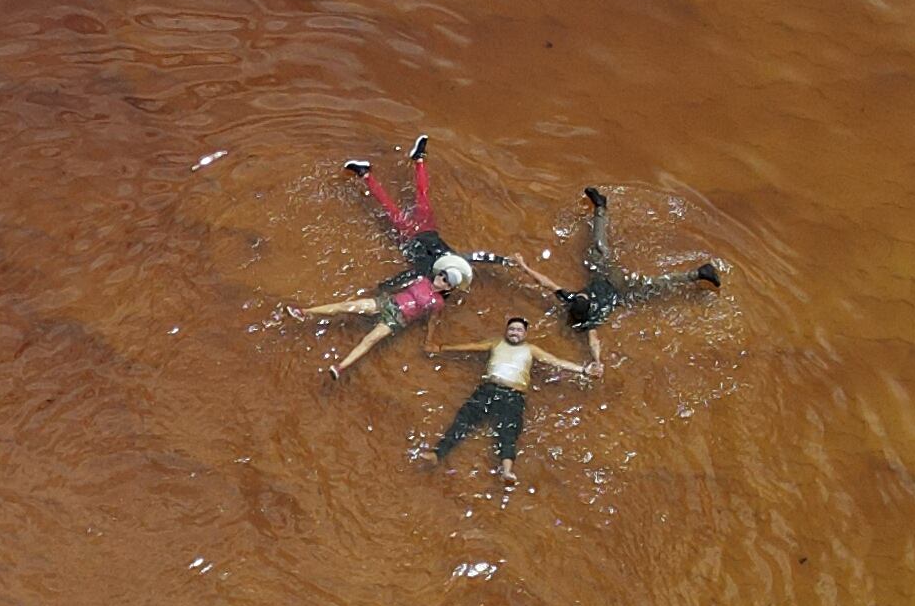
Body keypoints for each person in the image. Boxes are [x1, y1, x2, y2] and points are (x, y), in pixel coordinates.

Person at [299, 134, 495, 377]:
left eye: (445, 278)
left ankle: (366, 175)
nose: (441, 276)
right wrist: (503, 261)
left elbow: (416, 290)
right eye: (443, 274)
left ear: (448, 287)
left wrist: (386, 286)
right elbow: (473, 256)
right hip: (427, 230)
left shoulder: (430, 285)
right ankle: (419, 159)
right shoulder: (447, 260)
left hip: (410, 240)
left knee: (390, 208)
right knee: (422, 199)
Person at [493, 184, 723, 348]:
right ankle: (699, 274)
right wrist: (597, 362)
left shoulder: (573, 301)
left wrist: (523, 266)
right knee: (655, 285)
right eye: (583, 296)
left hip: (604, 276)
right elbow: (593, 340)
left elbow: (545, 283)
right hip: (619, 290)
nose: (581, 293)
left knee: (600, 248)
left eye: (579, 295)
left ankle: (600, 208)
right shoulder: (590, 318)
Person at [425, 315, 596, 474]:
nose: (514, 332)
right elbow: (472, 346)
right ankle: (437, 454)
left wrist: (583, 370)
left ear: (525, 334)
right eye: (511, 329)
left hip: (514, 395)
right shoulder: (496, 342)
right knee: (463, 421)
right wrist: (441, 348)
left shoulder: (531, 349)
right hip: (488, 389)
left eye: (519, 330)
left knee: (509, 432)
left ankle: (507, 471)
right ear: (506, 331)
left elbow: (555, 361)